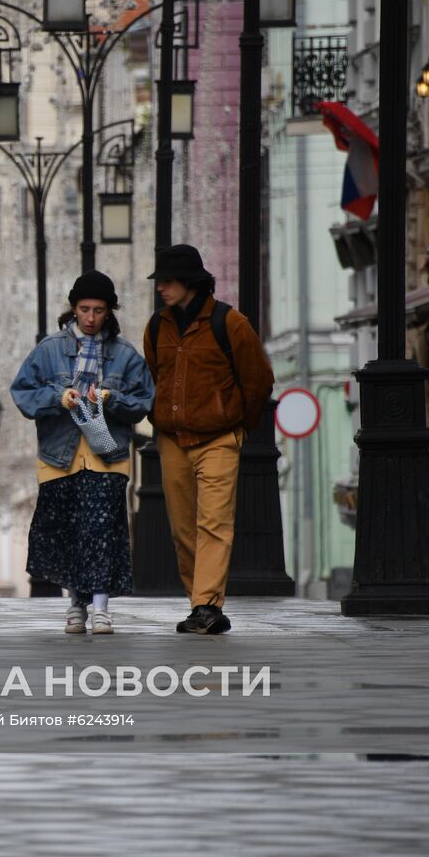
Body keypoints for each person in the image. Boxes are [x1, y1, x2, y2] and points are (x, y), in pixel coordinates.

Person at [11, 271, 155, 634]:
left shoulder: (125, 355)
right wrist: (57, 398)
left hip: (108, 455)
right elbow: (22, 392)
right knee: (68, 531)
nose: (91, 318)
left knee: (103, 530)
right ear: (73, 309)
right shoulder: (48, 349)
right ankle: (76, 604)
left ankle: (102, 607)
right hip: (59, 456)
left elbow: (144, 401)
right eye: (84, 309)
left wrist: (111, 398)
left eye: (99, 310)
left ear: (110, 311)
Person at [143, 244, 274, 635]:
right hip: (172, 440)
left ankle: (207, 604)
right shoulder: (157, 326)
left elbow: (259, 380)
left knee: (214, 523)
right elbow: (153, 376)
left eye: (167, 281)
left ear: (189, 282)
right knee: (183, 528)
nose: (161, 288)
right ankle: (198, 603)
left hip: (218, 438)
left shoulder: (229, 322)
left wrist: (237, 427)